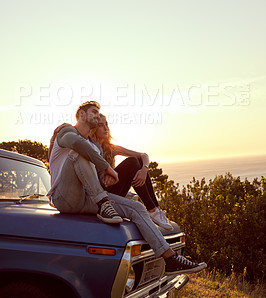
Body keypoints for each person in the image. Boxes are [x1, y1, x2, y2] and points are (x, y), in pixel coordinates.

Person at [47, 101, 207, 275]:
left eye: (99, 114)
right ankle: (104, 203)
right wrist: (107, 168)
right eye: (94, 112)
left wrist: (106, 177)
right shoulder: (65, 131)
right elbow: (78, 145)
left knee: (137, 208)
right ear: (81, 115)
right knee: (78, 152)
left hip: (88, 198)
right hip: (64, 197)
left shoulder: (96, 147)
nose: (98, 116)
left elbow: (93, 176)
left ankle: (170, 258)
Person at [89, 113, 173, 231]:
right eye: (101, 125)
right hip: (103, 193)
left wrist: (144, 169)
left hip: (115, 189)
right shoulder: (90, 148)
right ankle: (152, 210)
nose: (105, 128)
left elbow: (143, 155)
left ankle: (155, 209)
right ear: (93, 129)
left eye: (106, 124)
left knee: (137, 160)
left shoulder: (112, 148)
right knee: (132, 162)